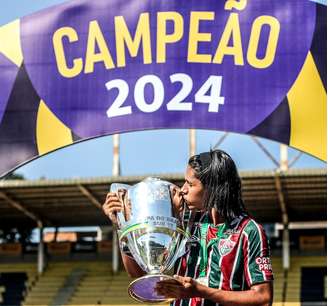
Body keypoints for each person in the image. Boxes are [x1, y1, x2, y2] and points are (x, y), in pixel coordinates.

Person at [103, 149, 273, 306]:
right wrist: (122, 224)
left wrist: (201, 292)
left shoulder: (249, 230)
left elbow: (263, 298)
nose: (183, 190)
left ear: (213, 189)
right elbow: (138, 274)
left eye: (190, 184)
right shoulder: (184, 221)